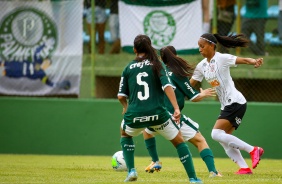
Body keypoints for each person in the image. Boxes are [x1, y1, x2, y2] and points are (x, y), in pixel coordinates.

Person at [118, 34, 202, 183]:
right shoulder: (157, 64)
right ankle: (193, 179)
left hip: (135, 115)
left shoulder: (128, 68)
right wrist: (176, 108)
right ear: (150, 47)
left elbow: (121, 96)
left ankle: (131, 170)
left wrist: (125, 107)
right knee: (179, 141)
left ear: (134, 49)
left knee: (125, 133)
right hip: (158, 114)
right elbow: (167, 86)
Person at [190, 33, 264, 175]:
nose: (200, 49)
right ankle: (244, 168)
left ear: (212, 45)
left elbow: (243, 60)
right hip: (227, 105)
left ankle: (253, 150)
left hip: (235, 101)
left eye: (202, 46)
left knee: (215, 133)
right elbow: (190, 85)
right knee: (223, 138)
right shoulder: (201, 66)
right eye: (199, 46)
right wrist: (192, 93)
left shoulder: (222, 58)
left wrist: (254, 61)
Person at [142, 45, 221, 178]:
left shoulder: (157, 72)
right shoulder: (177, 73)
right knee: (200, 141)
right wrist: (204, 93)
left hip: (154, 114)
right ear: (175, 56)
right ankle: (213, 171)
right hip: (172, 116)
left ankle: (155, 161)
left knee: (147, 132)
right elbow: (193, 97)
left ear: (162, 58)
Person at [0, 45, 70, 90]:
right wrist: (43, 46)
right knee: (3, 63)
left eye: (47, 63)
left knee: (4, 72)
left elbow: (48, 82)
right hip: (18, 65)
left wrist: (58, 84)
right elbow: (36, 52)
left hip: (18, 73)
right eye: (46, 60)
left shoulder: (42, 74)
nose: (45, 62)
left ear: (48, 66)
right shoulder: (38, 61)